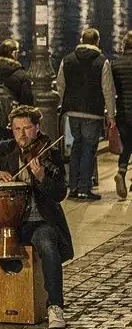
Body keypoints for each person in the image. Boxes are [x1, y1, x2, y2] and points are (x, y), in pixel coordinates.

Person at [0, 104, 73, 329]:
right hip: (6, 223)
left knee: (47, 244)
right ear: (11, 130)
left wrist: (42, 175)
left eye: (27, 128)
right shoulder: (5, 150)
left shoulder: (49, 152)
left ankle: (55, 306)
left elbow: (60, 193)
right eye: (17, 129)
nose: (22, 134)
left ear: (36, 128)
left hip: (39, 221)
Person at [56, 28, 116, 199]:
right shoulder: (102, 62)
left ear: (82, 40)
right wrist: (111, 115)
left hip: (72, 111)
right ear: (97, 41)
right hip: (93, 112)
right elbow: (108, 90)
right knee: (89, 149)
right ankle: (84, 188)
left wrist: (62, 105)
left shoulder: (67, 60)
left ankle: (73, 186)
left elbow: (60, 85)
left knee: (76, 145)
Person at [111, 31, 132, 200]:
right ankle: (123, 173)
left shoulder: (115, 64)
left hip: (123, 112)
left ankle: (121, 171)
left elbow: (112, 89)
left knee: (127, 145)